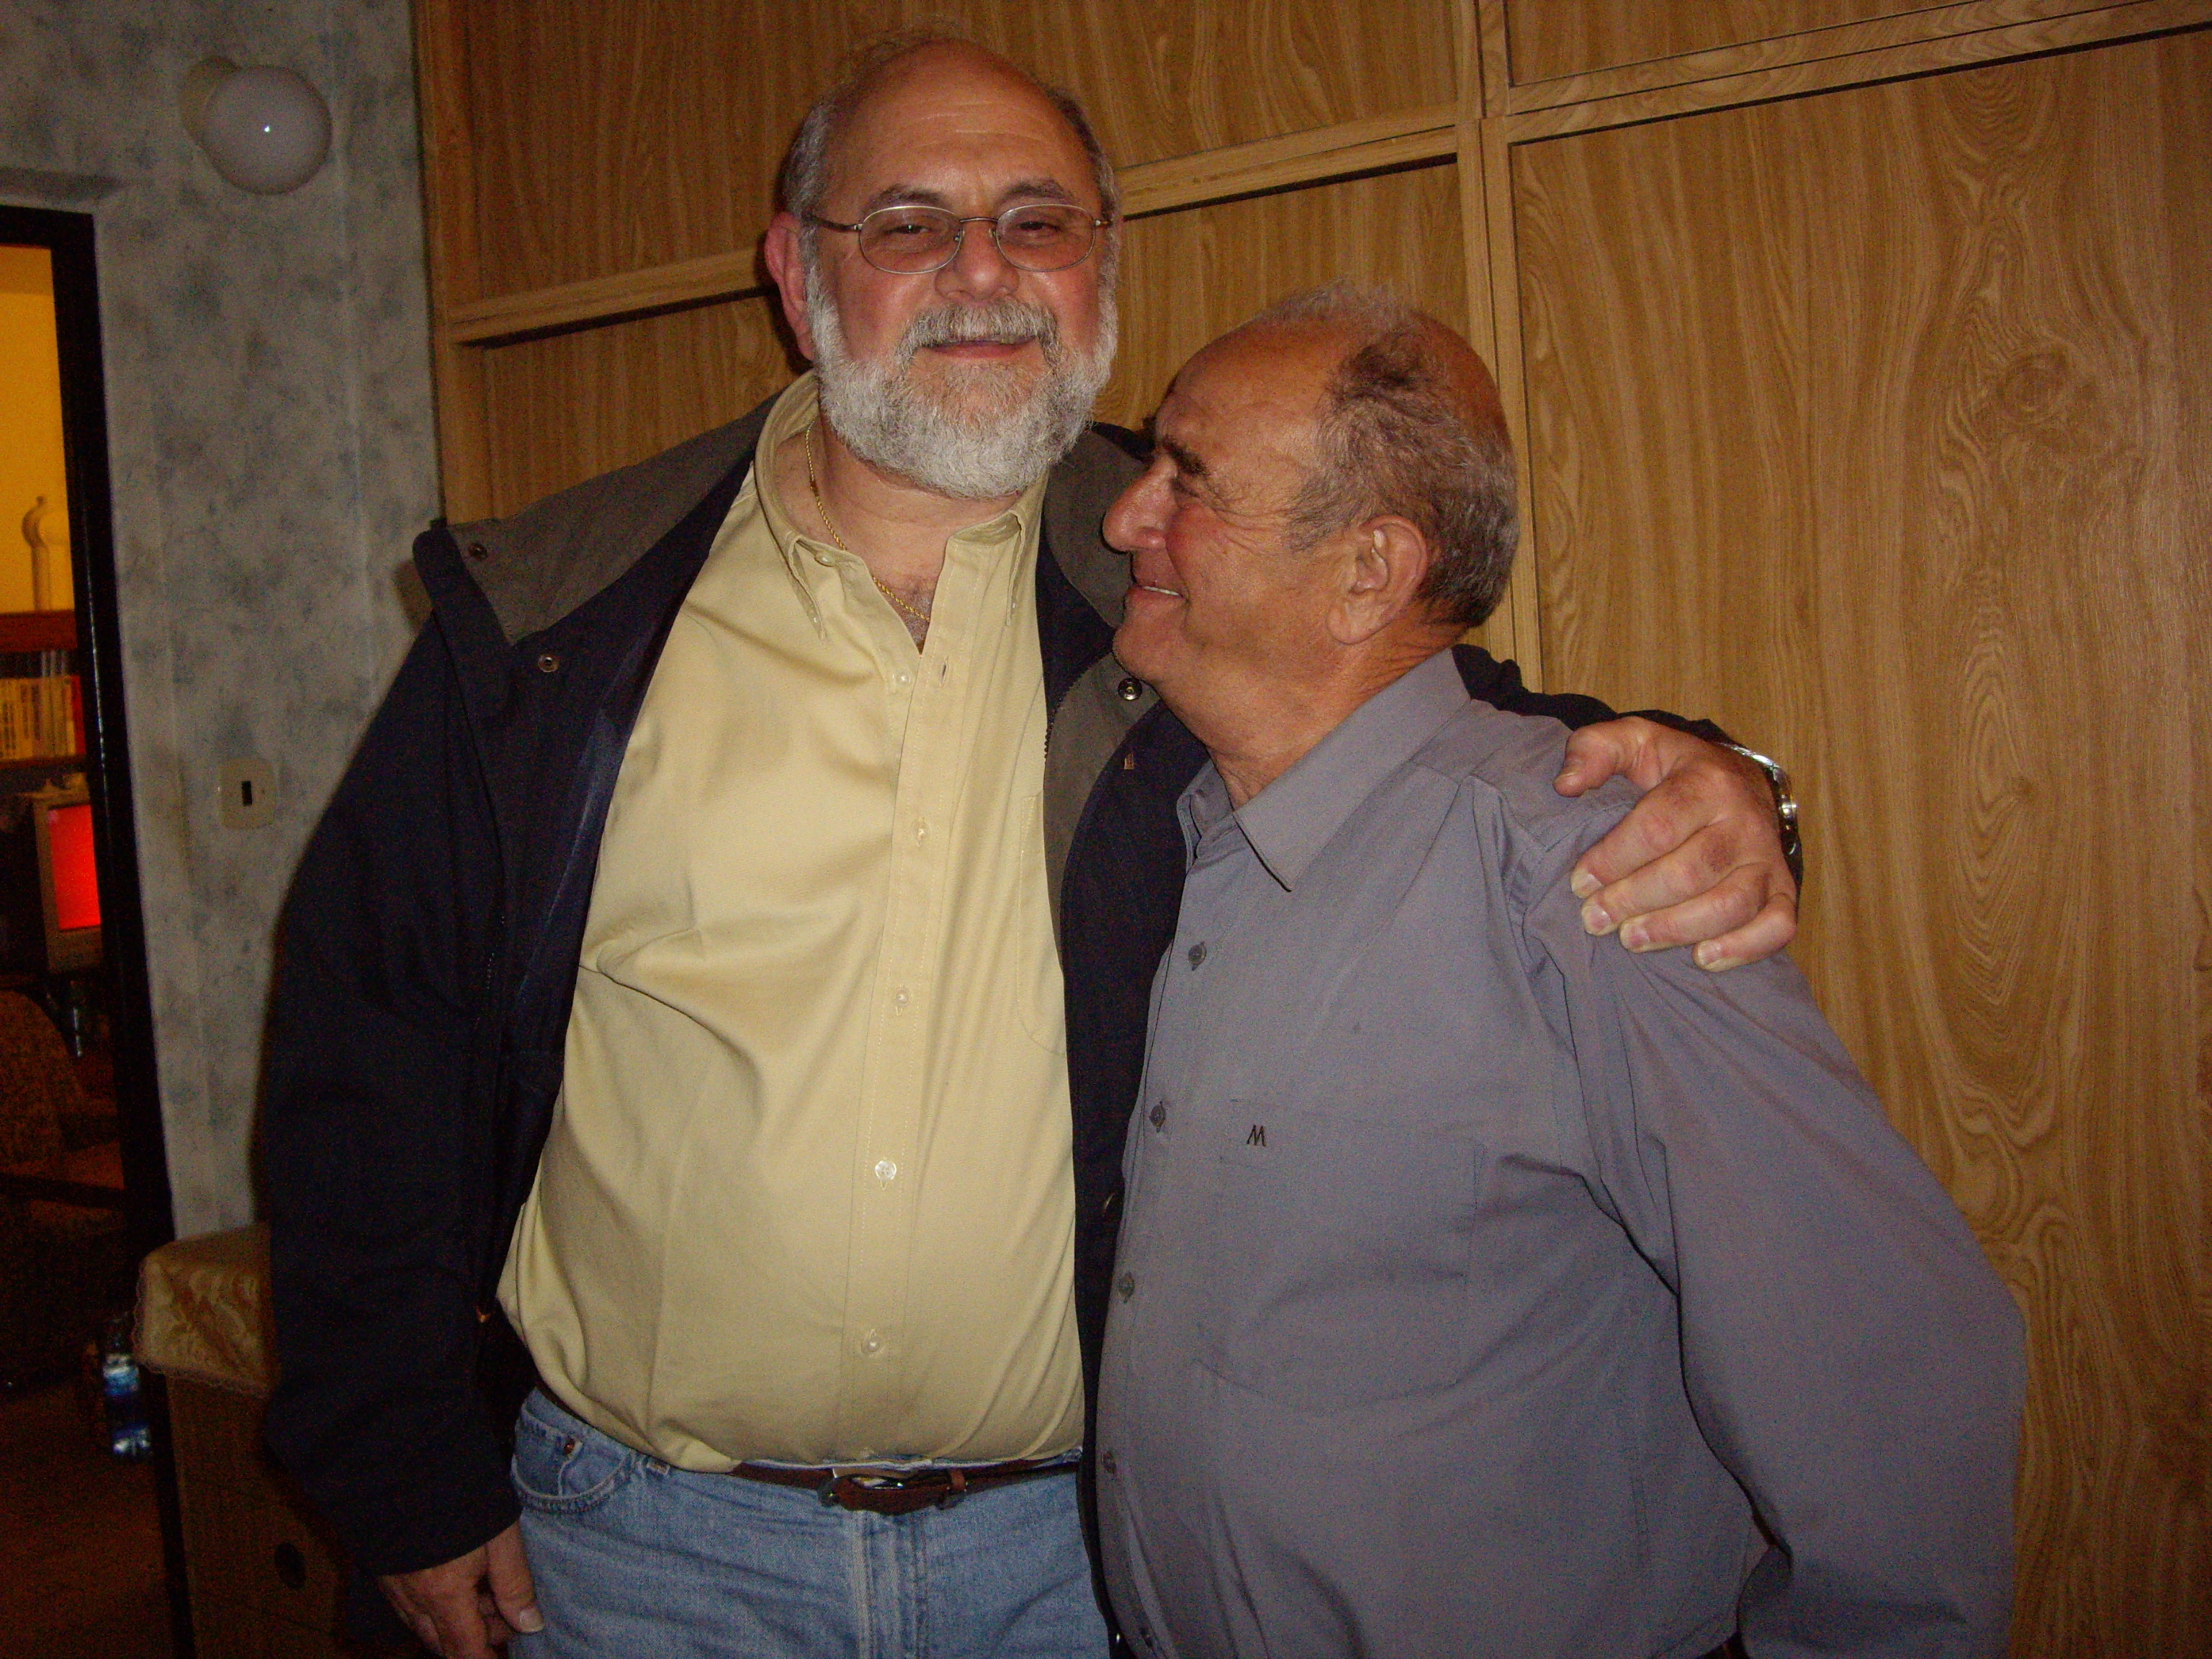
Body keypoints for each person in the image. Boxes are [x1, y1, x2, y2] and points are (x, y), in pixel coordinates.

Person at [259, 37, 1802, 1659]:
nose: (984, 271)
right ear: (797, 273)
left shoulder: (1205, 573)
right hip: (643, 1557)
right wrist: (402, 1470)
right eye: (909, 224)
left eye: (1039, 222)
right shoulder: (560, 620)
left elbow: (1461, 743)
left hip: (1084, 1557)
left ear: (1101, 266)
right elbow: (369, 1054)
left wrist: (1714, 780)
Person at [1090, 284, 2024, 1658]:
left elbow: (1889, 1376)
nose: (1128, 517)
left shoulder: (1587, 871)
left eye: (1189, 480)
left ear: (1369, 572)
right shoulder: (1197, 832)